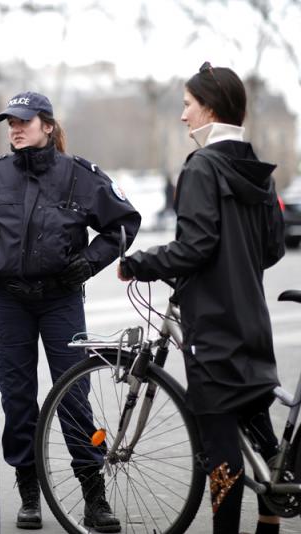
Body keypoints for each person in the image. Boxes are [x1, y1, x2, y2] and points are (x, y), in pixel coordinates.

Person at [118, 63, 285, 534]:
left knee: (220, 448)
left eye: (187, 105)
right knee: (262, 439)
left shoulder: (202, 166)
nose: (182, 116)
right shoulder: (256, 167)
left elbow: (195, 247)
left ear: (210, 108)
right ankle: (269, 525)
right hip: (251, 321)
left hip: (211, 327)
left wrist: (139, 262)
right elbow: (270, 249)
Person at [0, 91, 141, 532]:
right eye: (10, 123)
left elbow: (124, 222)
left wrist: (90, 262)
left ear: (47, 125)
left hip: (61, 298)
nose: (15, 129)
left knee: (75, 398)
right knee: (17, 400)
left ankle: (93, 495)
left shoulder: (79, 175)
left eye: (24, 121)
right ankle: (30, 492)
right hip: (9, 300)